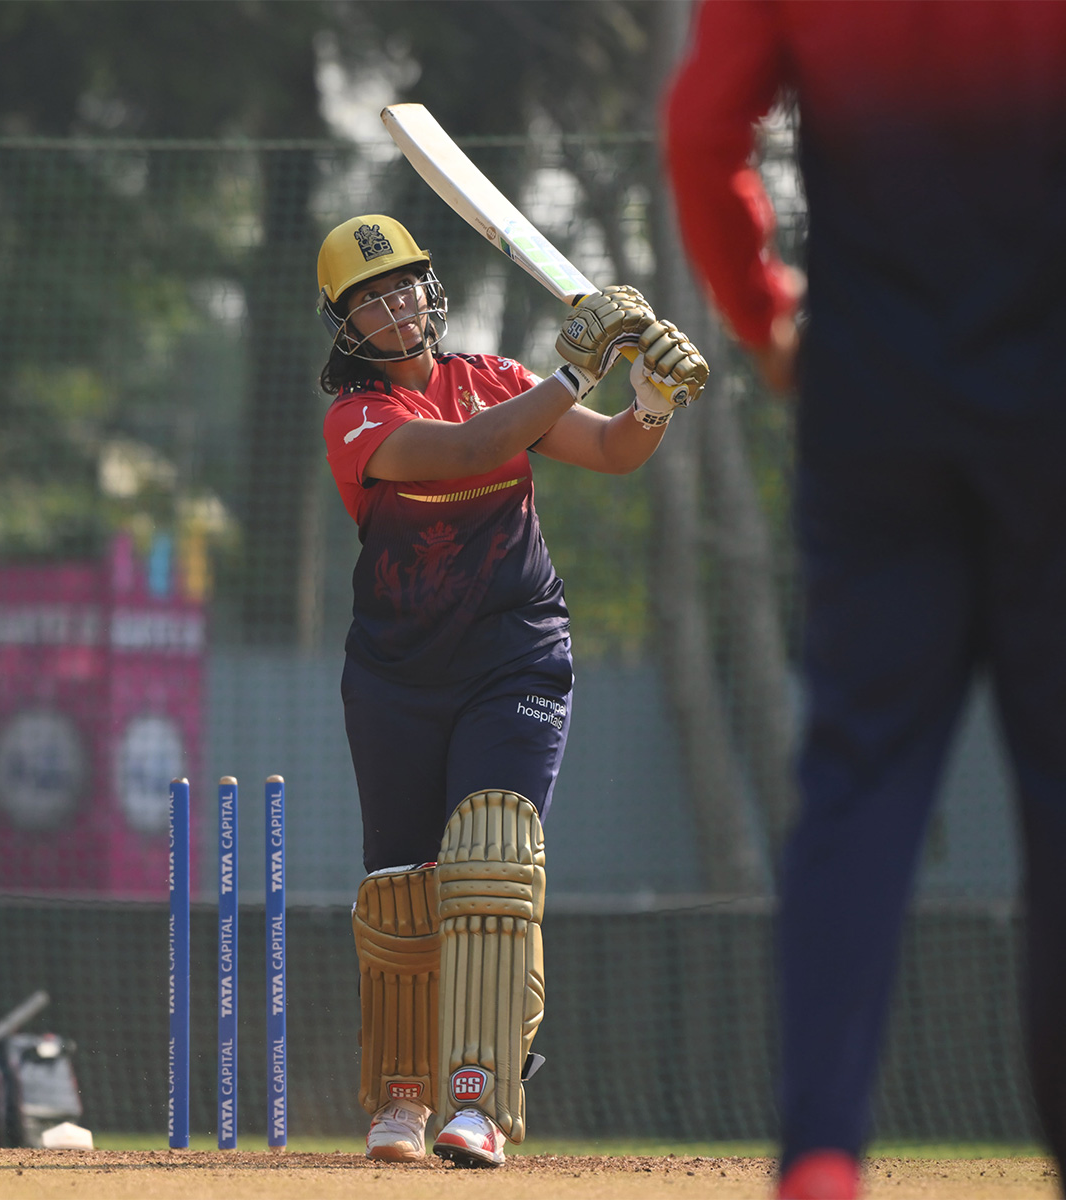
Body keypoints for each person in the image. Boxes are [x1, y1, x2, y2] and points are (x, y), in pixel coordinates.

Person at [663, 4, 1066, 1197]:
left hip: (869, 403)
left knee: (857, 782)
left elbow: (700, 131)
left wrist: (760, 311)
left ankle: (823, 1157)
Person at [316, 214, 708, 1166]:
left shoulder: (491, 377)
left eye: (407, 283)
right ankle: (402, 1100)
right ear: (345, 323)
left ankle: (478, 1100)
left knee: (494, 855)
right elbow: (463, 455)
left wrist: (650, 397)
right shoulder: (358, 419)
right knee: (406, 894)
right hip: (398, 676)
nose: (398, 304)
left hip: (514, 656)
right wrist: (573, 374)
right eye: (373, 296)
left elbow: (613, 451)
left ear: (432, 290)